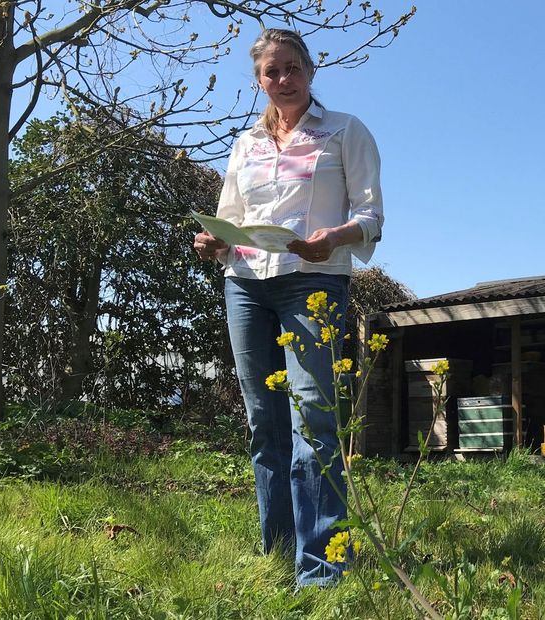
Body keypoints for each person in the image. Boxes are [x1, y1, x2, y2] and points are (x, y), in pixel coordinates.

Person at [193, 28, 383, 587]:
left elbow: (372, 217)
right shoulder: (245, 144)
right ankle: (276, 549)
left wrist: (335, 236)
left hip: (313, 281)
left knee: (313, 421)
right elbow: (229, 215)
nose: (283, 79)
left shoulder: (346, 130)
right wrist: (215, 241)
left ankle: (322, 566)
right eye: (271, 72)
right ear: (258, 81)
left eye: (293, 67)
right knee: (263, 421)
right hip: (246, 283)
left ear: (310, 69)